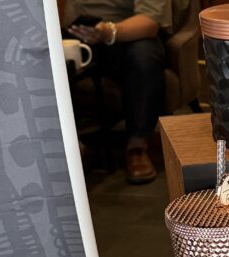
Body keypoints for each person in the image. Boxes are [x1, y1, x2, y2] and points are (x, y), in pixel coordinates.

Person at [62, 0, 171, 184]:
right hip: (80, 32)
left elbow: (150, 22)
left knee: (143, 54)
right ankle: (72, 145)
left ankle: (137, 147)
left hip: (128, 33)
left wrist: (107, 32)